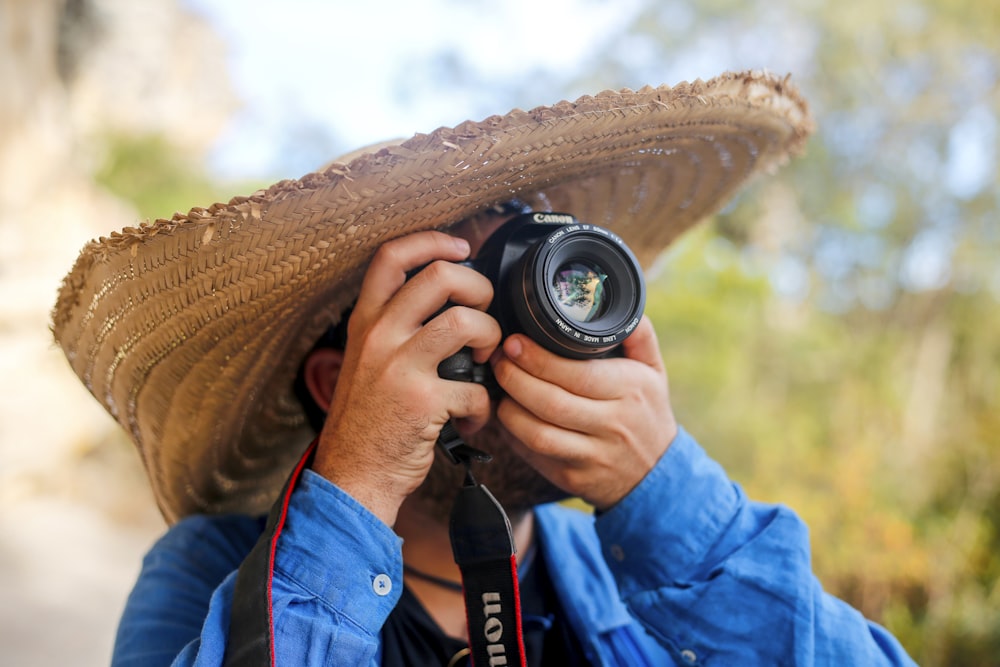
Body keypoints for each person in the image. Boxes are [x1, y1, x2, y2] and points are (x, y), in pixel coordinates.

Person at [52, 72, 917, 665]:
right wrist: (351, 484)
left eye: (547, 282)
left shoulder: (629, 561)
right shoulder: (210, 566)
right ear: (335, 383)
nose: (529, 326)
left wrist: (670, 501)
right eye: (446, 299)